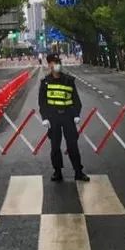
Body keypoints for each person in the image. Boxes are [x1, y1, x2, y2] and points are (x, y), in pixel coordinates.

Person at [39, 53, 89, 182]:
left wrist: (76, 114)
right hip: (53, 118)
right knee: (55, 147)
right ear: (49, 65)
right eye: (54, 62)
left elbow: (76, 100)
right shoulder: (45, 82)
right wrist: (45, 118)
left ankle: (78, 172)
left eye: (58, 62)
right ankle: (57, 172)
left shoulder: (68, 80)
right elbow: (42, 103)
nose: (57, 65)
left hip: (67, 117)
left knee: (72, 145)